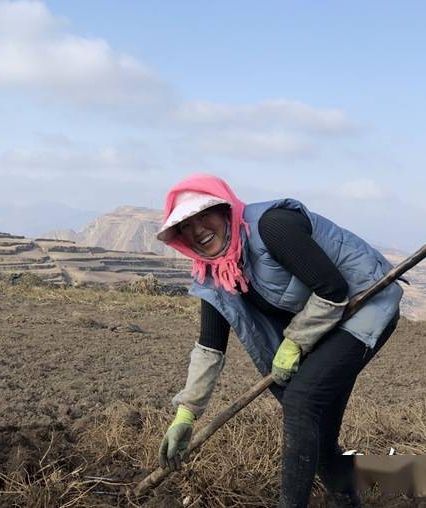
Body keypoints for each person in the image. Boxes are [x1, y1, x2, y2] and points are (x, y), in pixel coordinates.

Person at [155, 174, 403, 508]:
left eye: (205, 215)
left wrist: (294, 343)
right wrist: (186, 414)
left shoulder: (272, 226)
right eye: (186, 225)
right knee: (318, 436)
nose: (198, 230)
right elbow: (210, 348)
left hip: (365, 303)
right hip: (324, 326)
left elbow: (332, 290)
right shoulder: (215, 272)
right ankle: (352, 500)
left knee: (301, 402)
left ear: (226, 209)